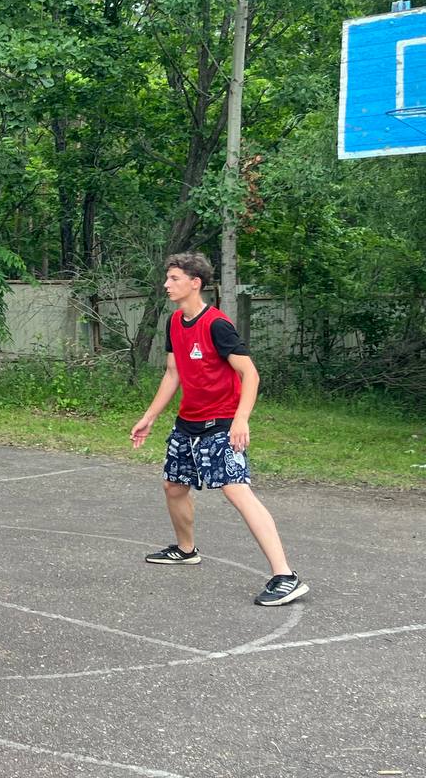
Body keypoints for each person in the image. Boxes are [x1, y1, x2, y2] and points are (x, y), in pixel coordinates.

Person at [130, 252, 310, 607]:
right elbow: (173, 373)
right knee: (174, 486)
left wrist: (241, 419)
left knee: (236, 490)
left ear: (195, 282)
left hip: (222, 422)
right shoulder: (174, 322)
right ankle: (186, 550)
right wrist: (149, 416)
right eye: (168, 278)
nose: (167, 284)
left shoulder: (217, 325)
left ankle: (286, 576)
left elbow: (250, 373)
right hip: (188, 423)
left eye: (174, 278)